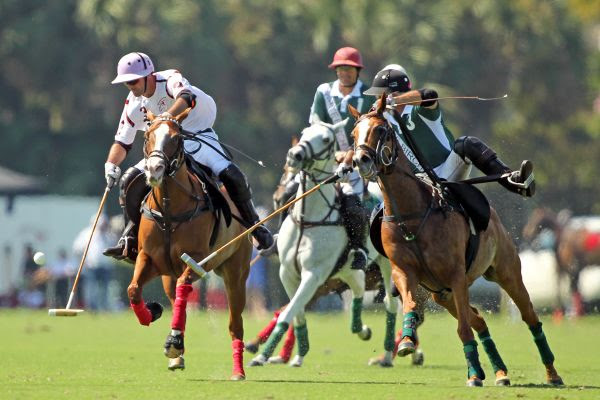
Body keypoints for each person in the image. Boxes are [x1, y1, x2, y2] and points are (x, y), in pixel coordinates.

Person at [103, 52, 273, 260]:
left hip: (197, 136)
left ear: (149, 75)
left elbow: (187, 97)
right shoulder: (132, 103)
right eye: (126, 82)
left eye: (134, 80)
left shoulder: (169, 79)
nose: (131, 86)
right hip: (164, 147)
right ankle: (130, 237)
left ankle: (255, 226)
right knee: (128, 180)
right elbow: (122, 142)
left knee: (232, 174)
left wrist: (168, 116)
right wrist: (111, 164)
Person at [362, 64, 535, 197]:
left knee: (466, 143)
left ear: (394, 94)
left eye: (380, 95)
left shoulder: (420, 111)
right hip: (418, 184)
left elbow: (429, 94)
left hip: (448, 171)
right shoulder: (384, 122)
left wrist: (396, 100)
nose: (378, 100)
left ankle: (513, 180)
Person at [304, 47, 376, 269]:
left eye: (349, 69)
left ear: (357, 71)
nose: (345, 73)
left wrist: (349, 155)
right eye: (341, 69)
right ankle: (280, 240)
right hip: (324, 160)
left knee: (353, 202)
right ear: (336, 70)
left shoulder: (367, 95)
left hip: (356, 165)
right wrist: (332, 154)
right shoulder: (323, 92)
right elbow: (317, 126)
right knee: (291, 189)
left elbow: (368, 132)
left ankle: (359, 250)